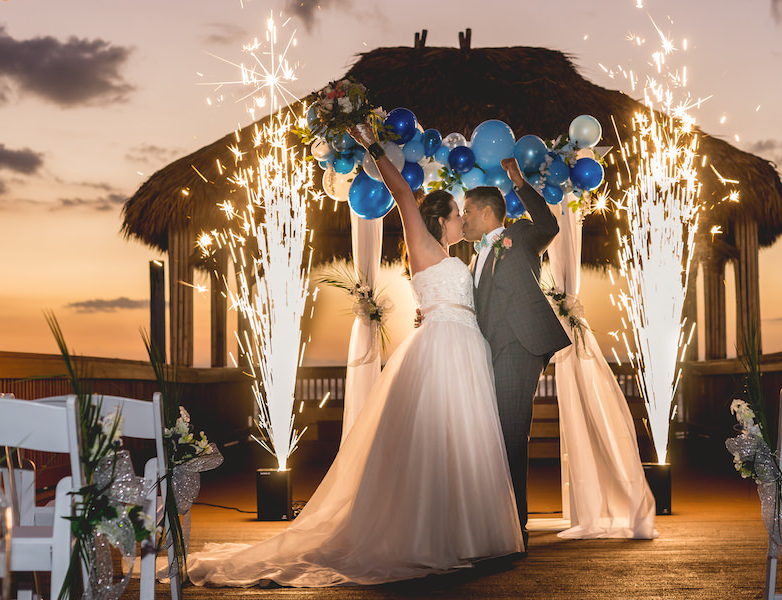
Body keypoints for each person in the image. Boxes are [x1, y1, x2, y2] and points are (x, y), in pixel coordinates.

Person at [185, 124, 523, 588]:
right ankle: (433, 537)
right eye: (458, 217)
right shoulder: (423, 244)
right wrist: (371, 145)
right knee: (437, 442)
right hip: (444, 348)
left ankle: (469, 535)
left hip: (466, 347)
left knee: (464, 440)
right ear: (439, 219)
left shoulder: (453, 255)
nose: (464, 223)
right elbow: (402, 191)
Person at [460, 166, 571, 548]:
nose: (462, 218)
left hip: (518, 347)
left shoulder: (518, 236)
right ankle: (499, 519)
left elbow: (548, 225)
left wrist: (520, 184)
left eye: (467, 211)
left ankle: (514, 527)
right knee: (494, 437)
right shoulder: (473, 260)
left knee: (509, 435)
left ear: (488, 212)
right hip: (488, 353)